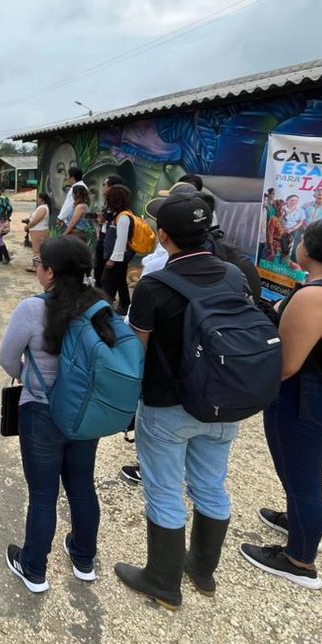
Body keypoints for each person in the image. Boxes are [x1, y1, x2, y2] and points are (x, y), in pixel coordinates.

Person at [114, 193, 247, 610]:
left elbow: (137, 352)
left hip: (169, 404)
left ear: (163, 236)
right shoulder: (236, 275)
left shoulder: (154, 286)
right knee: (211, 485)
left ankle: (163, 581)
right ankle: (202, 572)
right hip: (224, 401)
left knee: (166, 490)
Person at [241, 220, 322, 591]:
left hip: (304, 400)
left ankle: (300, 560)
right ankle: (297, 519)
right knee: (298, 473)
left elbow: (286, 365)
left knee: (305, 481)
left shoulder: (315, 297)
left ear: (312, 250)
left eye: (302, 240)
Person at [0, 237, 109, 592]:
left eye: (39, 263)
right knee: (81, 485)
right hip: (84, 413)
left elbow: (6, 360)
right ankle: (84, 558)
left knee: (44, 494)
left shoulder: (32, 310)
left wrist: (30, 376)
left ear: (50, 273)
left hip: (42, 412)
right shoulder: (101, 306)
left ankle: (34, 568)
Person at [100, 184, 135, 314]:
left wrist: (113, 259)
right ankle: (125, 306)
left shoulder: (124, 217)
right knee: (120, 282)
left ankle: (105, 310)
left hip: (118, 258)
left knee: (106, 282)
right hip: (116, 257)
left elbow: (121, 240)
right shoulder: (116, 215)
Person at [22, 192, 53, 274]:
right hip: (38, 230)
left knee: (37, 250)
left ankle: (37, 267)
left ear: (41, 199)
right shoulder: (43, 207)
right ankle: (39, 266)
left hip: (38, 231)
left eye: (38, 198)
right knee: (38, 250)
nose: (37, 200)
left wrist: (27, 226)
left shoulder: (43, 208)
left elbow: (36, 220)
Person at [56, 166, 89, 233]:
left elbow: (69, 205)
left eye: (68, 176)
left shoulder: (76, 189)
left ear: (72, 178)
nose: (67, 178)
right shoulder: (82, 186)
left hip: (74, 226)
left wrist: (60, 217)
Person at [62, 180, 95, 245]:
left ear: (76, 194)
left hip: (76, 235)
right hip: (77, 234)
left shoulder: (80, 207)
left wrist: (65, 234)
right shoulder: (84, 206)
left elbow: (73, 223)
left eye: (72, 194)